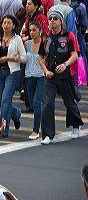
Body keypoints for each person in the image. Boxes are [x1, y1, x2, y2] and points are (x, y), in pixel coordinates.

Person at [39, 10, 84, 145]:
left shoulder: (68, 36)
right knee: (47, 104)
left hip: (65, 75)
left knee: (69, 102)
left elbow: (74, 55)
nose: (52, 21)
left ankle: (76, 125)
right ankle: (47, 134)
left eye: (55, 19)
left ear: (61, 21)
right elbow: (41, 57)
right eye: (50, 18)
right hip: (50, 76)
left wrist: (65, 65)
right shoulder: (45, 37)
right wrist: (45, 70)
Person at [0, 15, 26, 137]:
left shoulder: (17, 39)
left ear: (13, 25)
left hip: (12, 72)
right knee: (4, 101)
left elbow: (24, 58)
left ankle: (3, 129)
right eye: (4, 23)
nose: (6, 25)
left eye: (9, 23)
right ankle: (16, 114)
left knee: (6, 100)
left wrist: (10, 58)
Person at [24, 21, 45, 140]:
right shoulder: (27, 43)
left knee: (37, 103)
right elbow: (22, 57)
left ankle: (36, 130)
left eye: (34, 30)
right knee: (33, 104)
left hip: (41, 77)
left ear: (40, 31)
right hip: (29, 77)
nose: (31, 33)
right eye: (30, 30)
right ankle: (43, 123)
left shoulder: (44, 43)